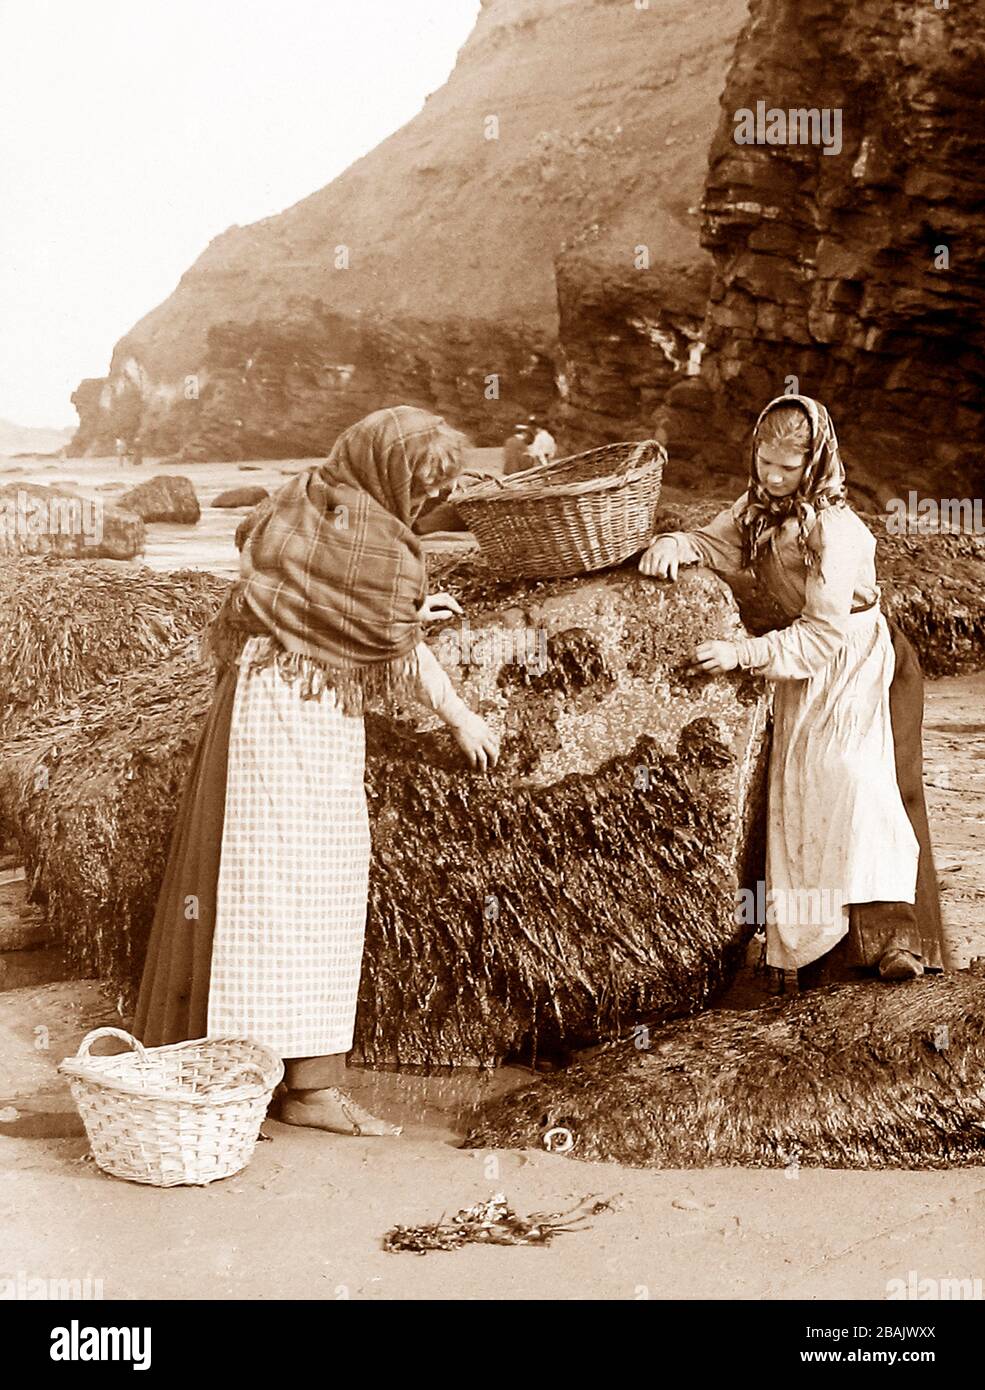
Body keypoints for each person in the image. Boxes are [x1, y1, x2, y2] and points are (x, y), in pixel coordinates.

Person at [134, 406, 501, 1135]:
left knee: (246, 893)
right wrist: (458, 713)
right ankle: (308, 1089)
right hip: (305, 719)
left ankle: (251, 1072)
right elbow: (386, 641)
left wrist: (392, 613)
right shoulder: (381, 547)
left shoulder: (303, 500)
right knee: (312, 895)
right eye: (422, 487)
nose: (426, 504)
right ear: (390, 474)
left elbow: (283, 578)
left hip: (254, 703)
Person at [638, 393, 947, 988]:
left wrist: (743, 653)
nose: (774, 478)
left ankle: (897, 940)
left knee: (866, 784)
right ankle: (818, 952)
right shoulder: (758, 510)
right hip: (806, 667)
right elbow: (717, 542)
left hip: (859, 659)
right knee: (801, 794)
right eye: (765, 463)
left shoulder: (836, 528)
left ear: (816, 460)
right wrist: (680, 543)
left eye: (788, 467)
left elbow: (824, 630)